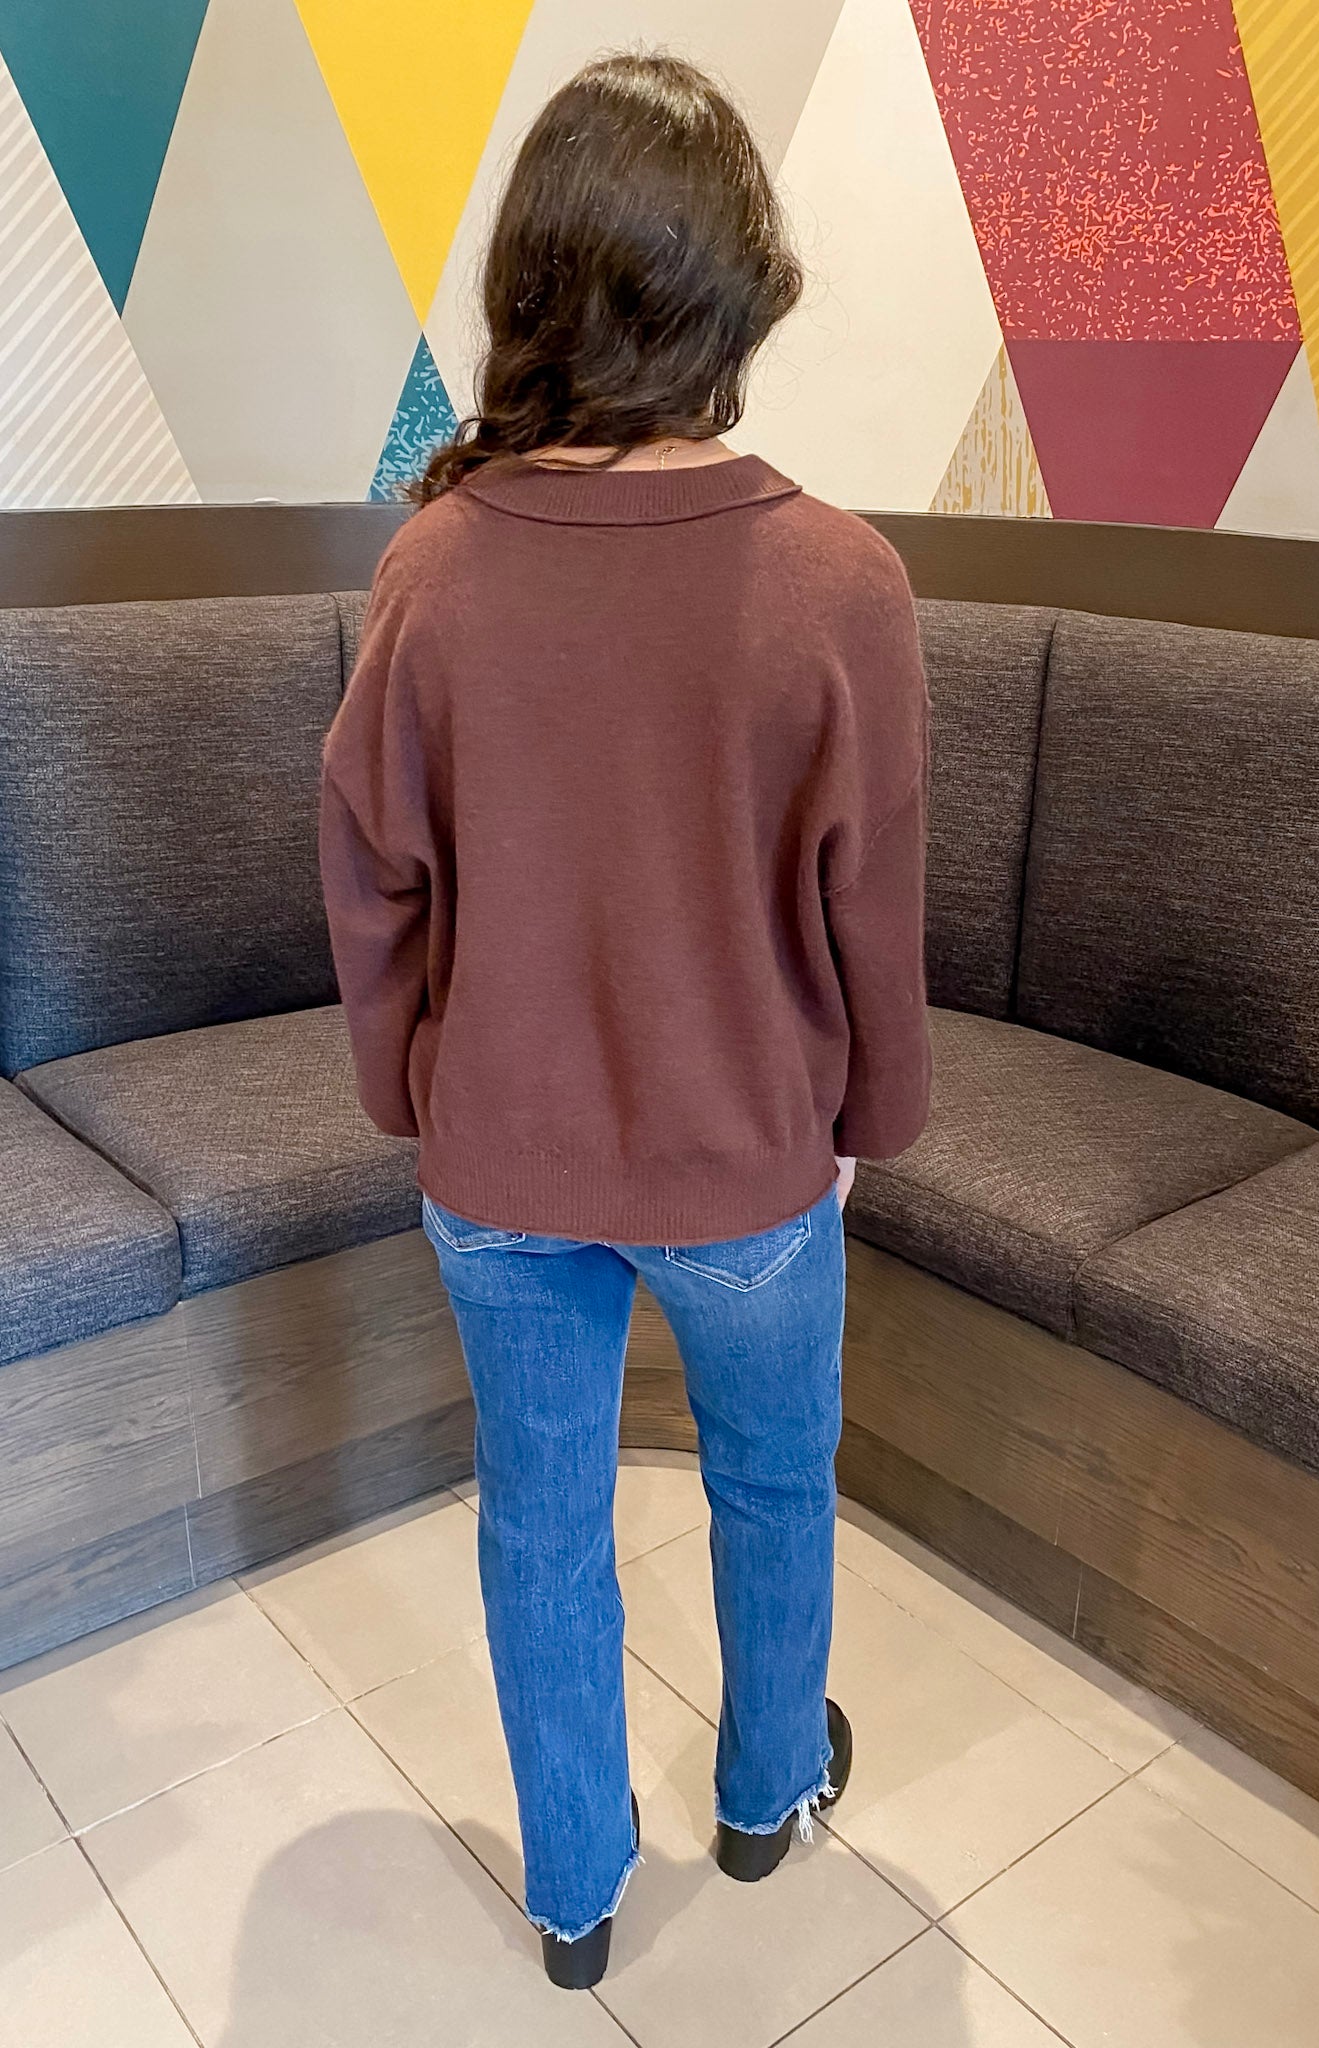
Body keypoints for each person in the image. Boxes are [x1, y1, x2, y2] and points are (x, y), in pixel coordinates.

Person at [318, 51, 931, 1991]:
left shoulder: (430, 566)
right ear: (733, 295)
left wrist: (411, 1088)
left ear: (536, 285)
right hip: (750, 1164)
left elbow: (373, 881)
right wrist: (865, 1124)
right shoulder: (842, 580)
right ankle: (762, 1794)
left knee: (541, 1522)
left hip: (496, 1166)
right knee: (770, 1474)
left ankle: (575, 1894)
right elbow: (872, 909)